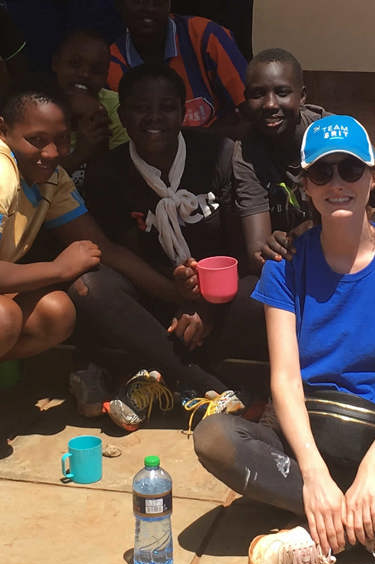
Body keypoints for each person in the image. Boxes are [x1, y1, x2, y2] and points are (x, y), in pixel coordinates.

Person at [193, 115, 375, 564]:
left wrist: (373, 468)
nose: (337, 183)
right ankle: (346, 518)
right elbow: (287, 379)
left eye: (350, 169)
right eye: (322, 172)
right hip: (307, 431)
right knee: (215, 437)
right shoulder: (285, 263)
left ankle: (326, 532)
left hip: (371, 433)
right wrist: (313, 474)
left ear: (372, 178)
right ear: (306, 186)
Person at [77, 63, 267, 431]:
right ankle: (210, 387)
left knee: (267, 289)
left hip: (217, 300)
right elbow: (118, 253)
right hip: (151, 299)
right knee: (90, 285)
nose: (154, 118)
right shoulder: (106, 172)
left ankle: (155, 377)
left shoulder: (219, 154)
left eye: (166, 107)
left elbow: (241, 249)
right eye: (140, 107)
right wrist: (175, 292)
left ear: (183, 113)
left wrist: (204, 307)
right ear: (122, 114)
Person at [0, 88, 100, 361]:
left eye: (62, 140)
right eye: (36, 140)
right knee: (3, 319)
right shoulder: (2, 171)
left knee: (55, 313)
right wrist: (57, 269)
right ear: (3, 130)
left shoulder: (51, 178)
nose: (53, 152)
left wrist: (172, 292)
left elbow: (102, 247)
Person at [233, 48, 329, 274]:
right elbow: (257, 254)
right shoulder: (247, 153)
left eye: (282, 92)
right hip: (292, 264)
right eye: (257, 94)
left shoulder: (331, 136)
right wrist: (272, 247)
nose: (270, 104)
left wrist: (321, 229)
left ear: (302, 96)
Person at [108, 0, 248, 129]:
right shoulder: (110, 63)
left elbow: (248, 108)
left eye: (157, 0)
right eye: (138, 1)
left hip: (218, 149)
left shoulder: (207, 36)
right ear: (120, 4)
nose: (149, 8)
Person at [52, 29, 129, 189]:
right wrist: (80, 154)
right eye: (74, 64)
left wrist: (100, 135)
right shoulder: (33, 109)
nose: (85, 74)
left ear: (106, 74)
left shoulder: (116, 107)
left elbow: (123, 182)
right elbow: (31, 188)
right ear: (55, 64)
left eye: (96, 70)